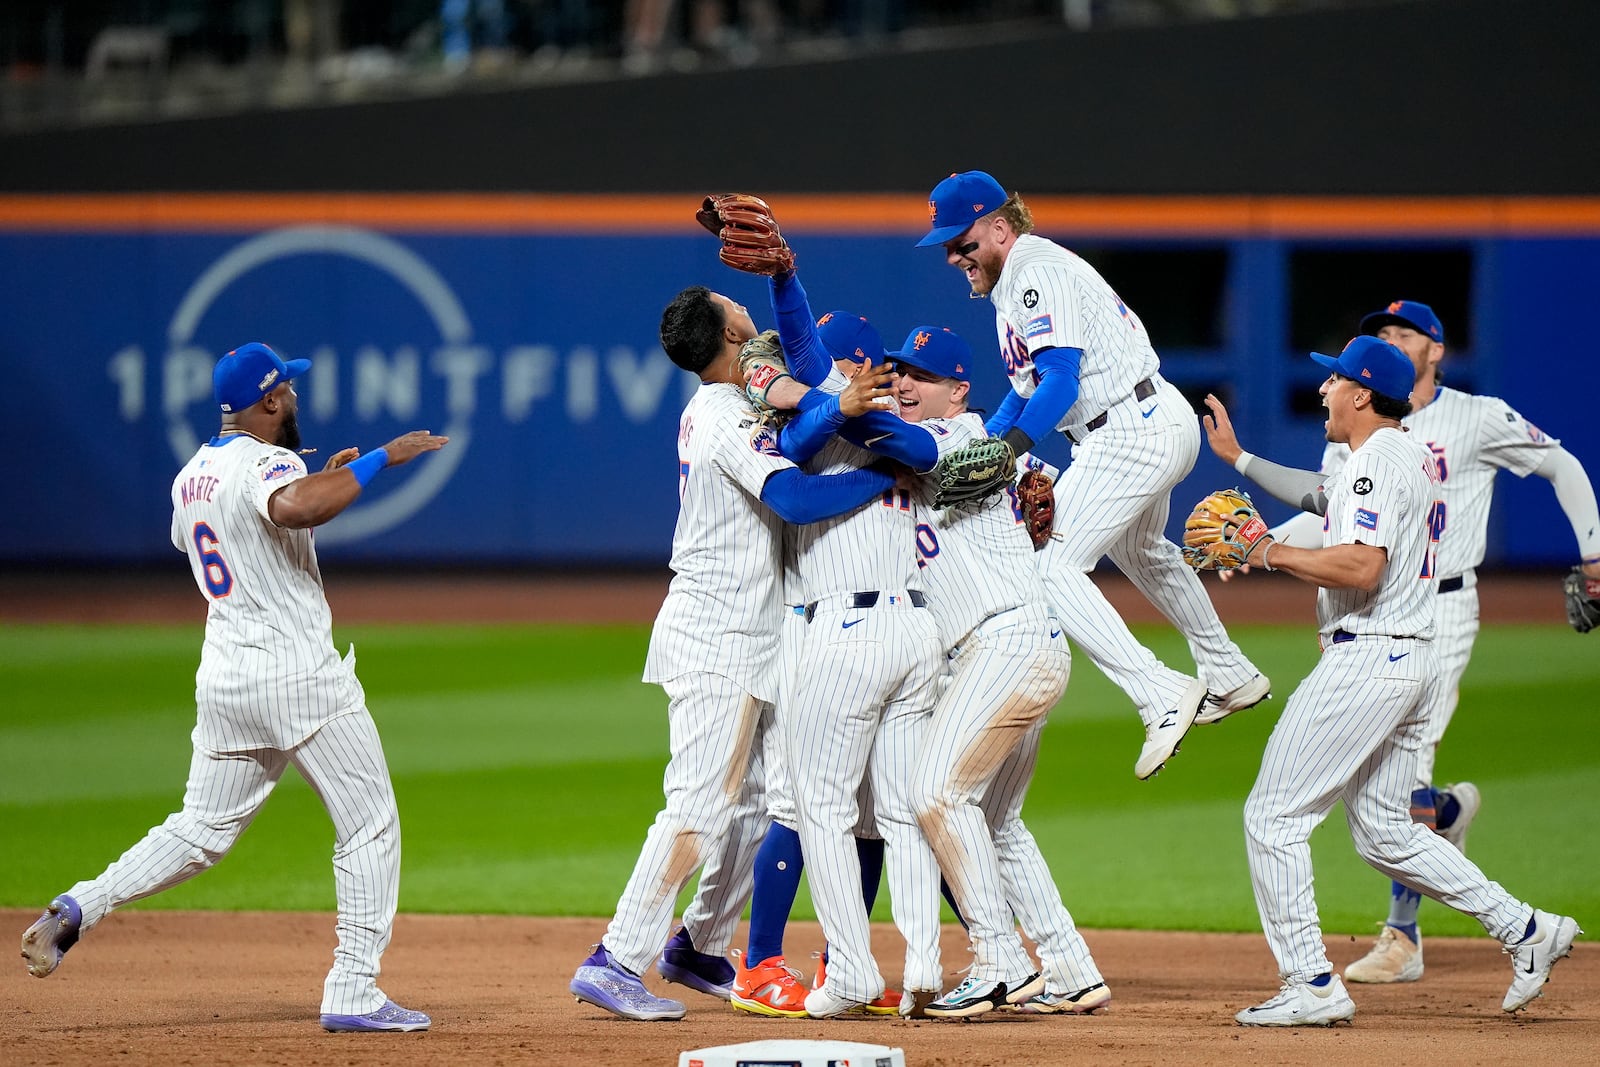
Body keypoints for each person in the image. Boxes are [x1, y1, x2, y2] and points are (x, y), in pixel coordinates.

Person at [19, 342, 446, 1033]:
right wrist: (380, 459)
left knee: (199, 830)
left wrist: (318, 479)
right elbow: (297, 508)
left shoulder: (191, 474)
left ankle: (81, 904)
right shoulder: (271, 462)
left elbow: (226, 531)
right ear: (270, 400)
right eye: (291, 390)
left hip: (226, 680)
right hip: (297, 677)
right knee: (368, 824)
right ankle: (354, 986)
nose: (298, 399)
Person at [1199, 335, 1580, 1026]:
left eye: (1334, 380)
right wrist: (1242, 462)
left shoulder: (1375, 463)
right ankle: (1527, 927)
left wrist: (1267, 549)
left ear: (1362, 393)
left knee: (1272, 815)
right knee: (1386, 832)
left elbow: (1360, 566)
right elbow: (1325, 498)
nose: (1323, 390)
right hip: (1411, 660)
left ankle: (1310, 981)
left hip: (1368, 657)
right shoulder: (1401, 454)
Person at [568, 286, 900, 1022]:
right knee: (698, 804)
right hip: (716, 631)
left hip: (754, 631)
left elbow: (799, 412)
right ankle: (617, 956)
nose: (747, 308)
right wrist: (887, 476)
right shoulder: (721, 415)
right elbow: (797, 501)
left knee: (759, 802)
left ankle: (700, 943)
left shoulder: (732, 404)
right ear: (727, 332)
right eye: (735, 305)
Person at [916, 170, 1268, 781]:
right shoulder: (1015, 282)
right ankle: (1230, 672)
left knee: (1050, 566)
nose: (953, 256)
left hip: (1130, 428)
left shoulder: (1035, 272)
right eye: (947, 246)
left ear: (1000, 227)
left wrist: (1013, 449)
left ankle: (1158, 693)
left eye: (963, 242)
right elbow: (1023, 390)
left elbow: (1059, 380)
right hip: (1143, 418)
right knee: (1147, 552)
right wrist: (988, 442)